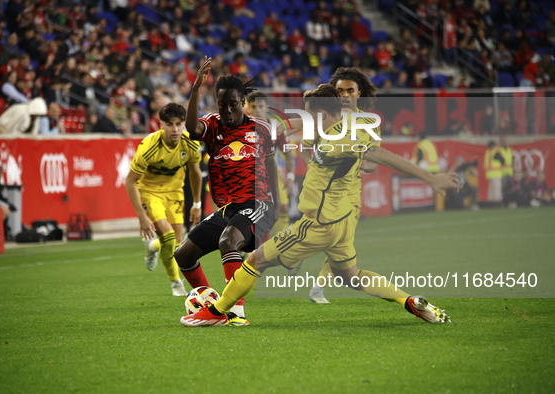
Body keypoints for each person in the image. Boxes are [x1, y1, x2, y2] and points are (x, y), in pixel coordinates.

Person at [180, 84, 460, 327]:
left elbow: (379, 155)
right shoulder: (354, 128)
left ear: (322, 114)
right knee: (351, 275)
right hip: (342, 222)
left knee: (255, 260)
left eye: (309, 114)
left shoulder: (333, 144)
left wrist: (431, 179)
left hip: (318, 224)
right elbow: (371, 154)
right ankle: (408, 301)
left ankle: (216, 312)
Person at [174, 56, 280, 325]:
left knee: (228, 241)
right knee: (183, 254)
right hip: (228, 208)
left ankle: (233, 312)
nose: (228, 110)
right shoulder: (212, 125)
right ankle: (210, 301)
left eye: (233, 104)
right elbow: (191, 128)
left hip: (257, 203)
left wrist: (276, 206)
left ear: (243, 103)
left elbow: (272, 167)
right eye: (222, 105)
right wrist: (196, 88)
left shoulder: (261, 129)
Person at [308, 67, 381, 304]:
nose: (345, 95)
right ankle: (294, 254)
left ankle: (318, 288)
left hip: (350, 192)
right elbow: (307, 149)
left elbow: (373, 162)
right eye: (340, 91)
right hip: (322, 188)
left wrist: (361, 165)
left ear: (360, 93)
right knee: (327, 236)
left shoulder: (369, 122)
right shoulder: (323, 118)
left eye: (350, 90)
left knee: (341, 239)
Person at [125, 103, 203, 296]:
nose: (175, 129)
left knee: (177, 243)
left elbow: (195, 173)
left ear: (184, 123)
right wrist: (142, 217)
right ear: (161, 124)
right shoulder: (149, 147)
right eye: (170, 124)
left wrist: (197, 204)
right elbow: (130, 182)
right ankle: (176, 283)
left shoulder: (191, 143)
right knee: (168, 237)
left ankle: (152, 246)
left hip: (175, 192)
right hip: (150, 192)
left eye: (179, 123)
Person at [244, 92, 295, 235]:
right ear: (248, 108)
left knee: (283, 208)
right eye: (254, 107)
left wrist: (290, 177)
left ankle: (282, 244)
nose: (257, 110)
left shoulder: (276, 128)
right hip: (248, 176)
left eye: (260, 106)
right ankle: (246, 247)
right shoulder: (242, 127)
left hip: (272, 174)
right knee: (250, 213)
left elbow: (288, 155)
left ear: (266, 106)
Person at [484, 141, 504, 205]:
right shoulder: (495, 152)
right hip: (496, 174)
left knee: (492, 190)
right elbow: (503, 160)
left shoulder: (488, 152)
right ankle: (497, 203)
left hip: (490, 174)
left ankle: (491, 203)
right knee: (496, 189)